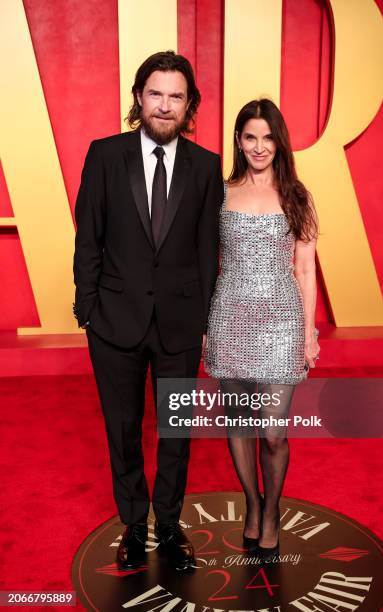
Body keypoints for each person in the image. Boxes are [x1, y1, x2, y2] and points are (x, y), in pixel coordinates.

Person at [73, 51, 224, 571]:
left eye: (176, 96)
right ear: (139, 98)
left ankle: (168, 525)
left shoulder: (205, 167)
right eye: (155, 94)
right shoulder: (105, 155)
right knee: (122, 428)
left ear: (189, 106)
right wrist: (87, 309)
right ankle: (133, 526)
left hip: (180, 326)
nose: (164, 105)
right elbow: (87, 238)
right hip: (113, 323)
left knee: (176, 430)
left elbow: (208, 251)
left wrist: (205, 324)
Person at [205, 99, 319, 562]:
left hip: (281, 322)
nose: (259, 146)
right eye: (250, 137)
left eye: (268, 138)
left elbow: (307, 270)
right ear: (238, 140)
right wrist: (206, 327)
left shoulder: (297, 195)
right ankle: (251, 503)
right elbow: (206, 265)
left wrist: (308, 335)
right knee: (238, 424)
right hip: (230, 315)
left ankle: (272, 510)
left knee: (272, 433)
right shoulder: (221, 193)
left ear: (279, 142)